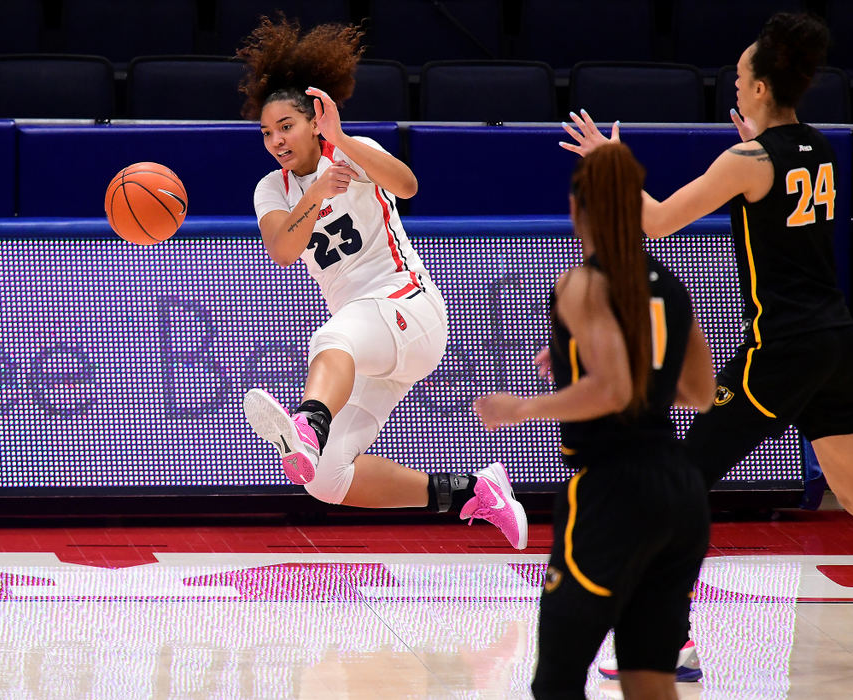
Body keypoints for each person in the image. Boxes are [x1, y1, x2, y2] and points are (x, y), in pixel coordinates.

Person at [561, 10, 853, 681]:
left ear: (756, 91)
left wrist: (610, 163)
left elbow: (657, 222)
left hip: (782, 346)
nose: (736, 80)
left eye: (742, 74)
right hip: (837, 339)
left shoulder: (746, 160)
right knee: (849, 484)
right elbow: (780, 193)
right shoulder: (822, 148)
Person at [236, 15, 527, 549]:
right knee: (326, 480)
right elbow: (282, 250)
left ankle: (308, 422)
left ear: (313, 120)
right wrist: (317, 192)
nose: (276, 140)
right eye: (267, 132)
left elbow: (409, 184)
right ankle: (471, 492)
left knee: (331, 338)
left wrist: (341, 138)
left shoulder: (351, 150)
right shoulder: (270, 189)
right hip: (371, 347)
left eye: (286, 127)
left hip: (407, 306)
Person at [475, 142, 716, 699]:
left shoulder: (583, 282)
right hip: (680, 493)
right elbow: (699, 392)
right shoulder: (671, 286)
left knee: (556, 681)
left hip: (613, 491)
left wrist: (522, 408)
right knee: (648, 676)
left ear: (575, 207)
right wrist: (571, 363)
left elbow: (612, 388)